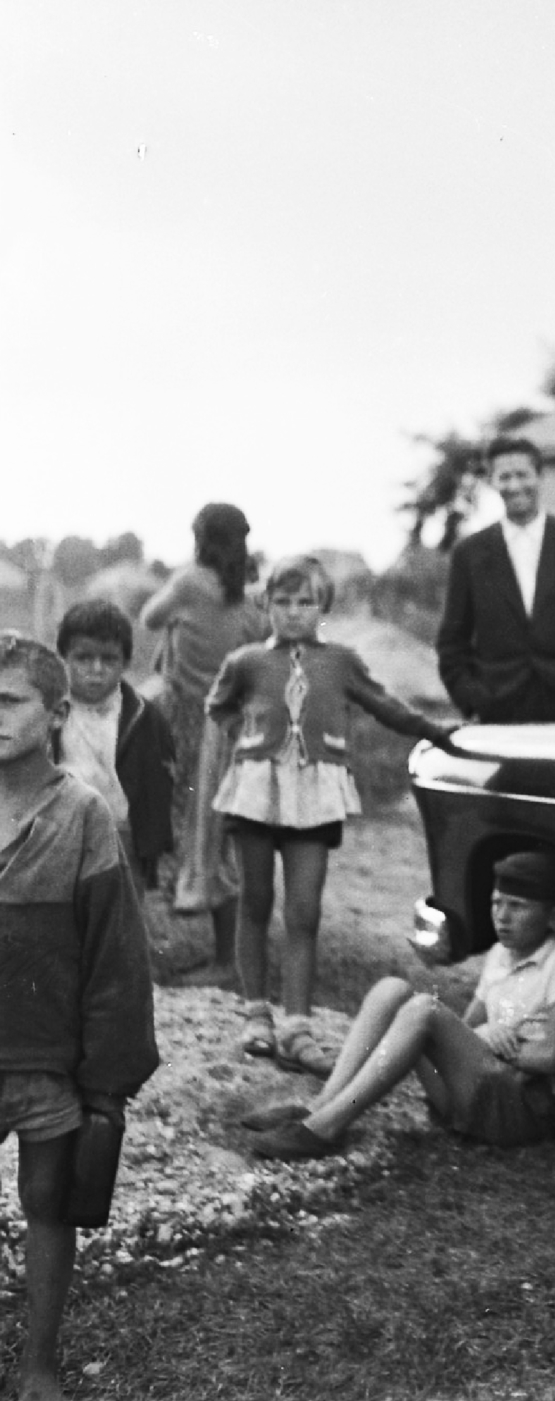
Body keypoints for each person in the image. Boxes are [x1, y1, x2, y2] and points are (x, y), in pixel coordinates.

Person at [206, 556, 459, 1075]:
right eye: (283, 601)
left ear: (322, 607)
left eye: (306, 602)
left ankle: (297, 1026)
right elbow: (219, 706)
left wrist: (434, 731)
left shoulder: (342, 661)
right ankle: (255, 1015)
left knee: (304, 912)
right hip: (256, 792)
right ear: (266, 604)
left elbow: (383, 703)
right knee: (255, 901)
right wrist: (252, 740)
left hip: (316, 794)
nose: (294, 612)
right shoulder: (247, 661)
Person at [0, 634, 159, 1401]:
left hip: (44, 1062)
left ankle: (38, 1362)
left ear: (57, 711)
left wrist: (107, 1080)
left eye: (9, 700)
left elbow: (118, 961)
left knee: (48, 1202)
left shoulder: (84, 816)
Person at [244, 850, 555, 1159]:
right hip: (477, 1096)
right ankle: (319, 1107)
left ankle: (327, 1129)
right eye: (496, 903)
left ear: (553, 916)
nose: (502, 917)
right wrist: (484, 1036)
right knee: (392, 989)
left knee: (425, 1008)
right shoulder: (501, 954)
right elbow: (471, 1029)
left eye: (517, 907)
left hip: (526, 1108)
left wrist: (501, 1047)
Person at [140, 502, 271, 971]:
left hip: (183, 719)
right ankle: (224, 956)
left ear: (200, 539)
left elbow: (149, 619)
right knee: (217, 832)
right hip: (231, 723)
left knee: (171, 823)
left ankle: (184, 954)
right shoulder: (252, 595)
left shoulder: (190, 582)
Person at [435, 435, 555, 724]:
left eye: (522, 475)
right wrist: (472, 701)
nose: (514, 485)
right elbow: (451, 641)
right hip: (499, 712)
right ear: (491, 482)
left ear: (539, 476)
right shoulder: (468, 553)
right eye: (504, 477)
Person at [54, 599, 175, 905]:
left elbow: (159, 784)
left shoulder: (144, 716)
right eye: (83, 658)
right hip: (61, 830)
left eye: (109, 659)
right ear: (64, 658)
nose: (96, 670)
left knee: (124, 911)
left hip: (123, 831)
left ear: (126, 662)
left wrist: (154, 844)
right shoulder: (49, 713)